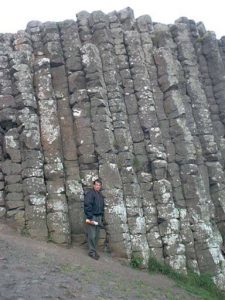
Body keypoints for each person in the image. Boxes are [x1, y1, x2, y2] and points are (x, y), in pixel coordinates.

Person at [84, 179, 104, 260]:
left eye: (99, 185)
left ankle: (94, 251)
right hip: (92, 216)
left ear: (100, 186)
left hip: (98, 217)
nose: (97, 186)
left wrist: (101, 217)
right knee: (92, 235)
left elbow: (102, 207)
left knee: (97, 235)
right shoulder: (90, 194)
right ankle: (91, 252)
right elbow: (87, 205)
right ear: (93, 185)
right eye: (96, 185)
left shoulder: (100, 195)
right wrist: (89, 217)